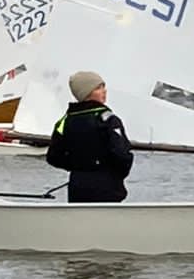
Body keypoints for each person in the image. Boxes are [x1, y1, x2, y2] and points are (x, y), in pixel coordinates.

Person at [46, 70, 133, 203]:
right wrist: (112, 174)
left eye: (103, 87)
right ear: (86, 93)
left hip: (78, 188)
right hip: (108, 189)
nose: (104, 91)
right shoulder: (108, 120)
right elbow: (122, 155)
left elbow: (53, 157)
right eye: (98, 88)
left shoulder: (64, 122)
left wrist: (79, 168)